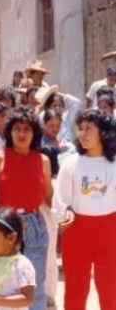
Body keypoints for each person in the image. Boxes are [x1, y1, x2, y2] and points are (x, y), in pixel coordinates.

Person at [0, 107, 52, 310]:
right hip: (6, 226)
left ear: (34, 133)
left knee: (34, 282)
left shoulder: (43, 161)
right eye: (17, 128)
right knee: (4, 281)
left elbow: (48, 198)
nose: (22, 134)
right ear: (9, 131)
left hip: (34, 225)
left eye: (27, 129)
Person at [54, 109, 116, 310]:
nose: (83, 133)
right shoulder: (71, 163)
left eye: (89, 128)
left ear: (104, 132)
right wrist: (67, 211)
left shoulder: (113, 164)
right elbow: (61, 198)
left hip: (109, 230)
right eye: (80, 129)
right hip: (77, 231)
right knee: (75, 287)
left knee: (110, 287)